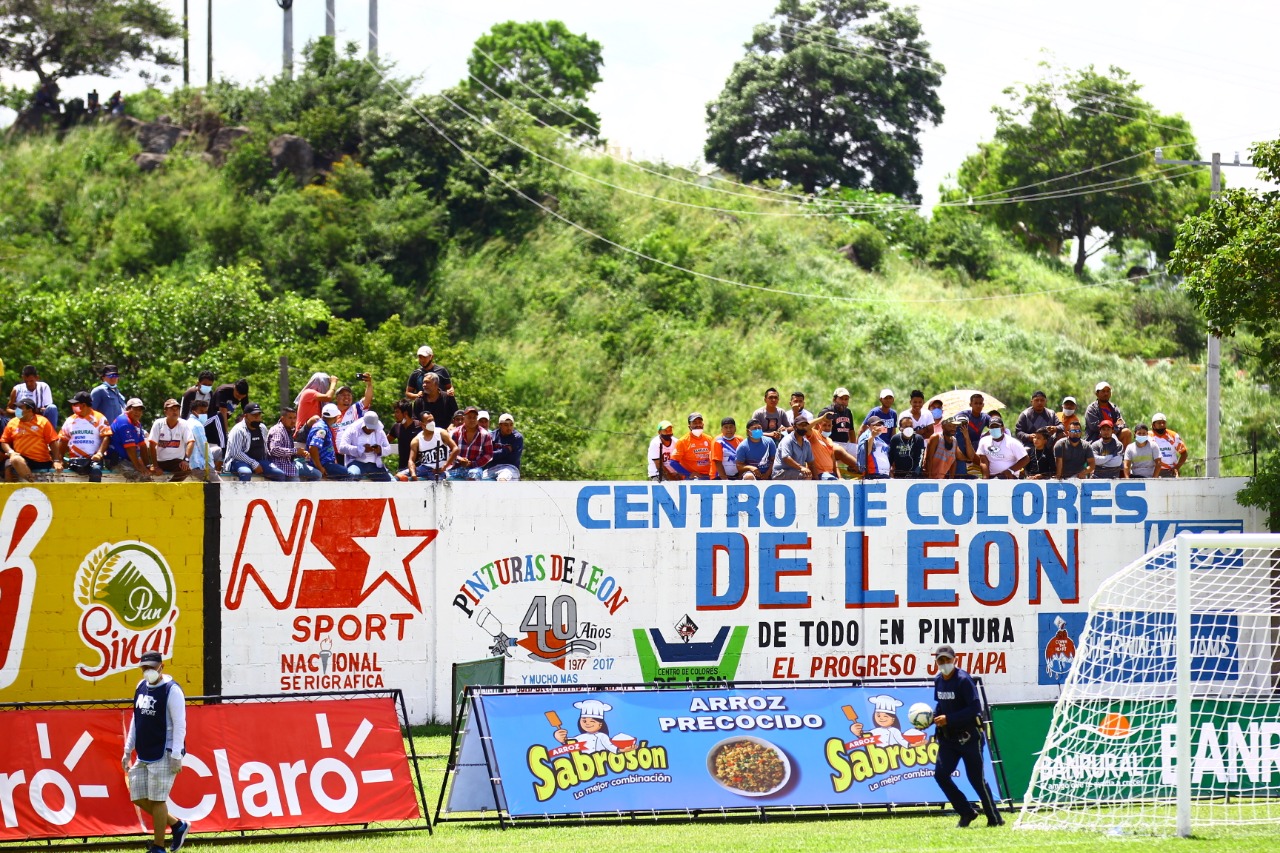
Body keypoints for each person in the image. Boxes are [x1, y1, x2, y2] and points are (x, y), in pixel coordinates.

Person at [122, 650, 191, 853]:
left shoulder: (172, 690)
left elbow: (180, 724)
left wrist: (176, 755)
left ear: (161, 667)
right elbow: (137, 719)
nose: (148, 671)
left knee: (157, 800)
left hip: (164, 750)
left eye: (152, 667)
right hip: (144, 751)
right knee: (137, 795)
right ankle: (178, 825)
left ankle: (158, 847)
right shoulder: (140, 687)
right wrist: (128, 750)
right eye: (145, 667)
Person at [931, 645, 1003, 828]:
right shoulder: (938, 680)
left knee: (976, 779)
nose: (944, 663)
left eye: (948, 660)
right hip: (948, 739)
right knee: (941, 775)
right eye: (941, 660)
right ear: (936, 661)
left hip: (969, 737)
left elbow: (974, 708)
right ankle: (966, 812)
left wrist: (949, 718)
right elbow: (941, 704)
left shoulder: (963, 680)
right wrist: (933, 717)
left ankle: (995, 818)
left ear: (954, 660)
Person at [1, 399, 61, 481]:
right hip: (21, 459)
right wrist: (11, 452)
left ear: (30, 410)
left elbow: (53, 441)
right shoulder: (12, 422)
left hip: (41, 461)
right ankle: (30, 481)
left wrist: (56, 460)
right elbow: (4, 441)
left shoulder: (42, 421)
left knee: (13, 461)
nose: (17, 410)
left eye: (20, 407)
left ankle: (32, 485)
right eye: (17, 407)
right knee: (11, 463)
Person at [60, 391, 112, 483]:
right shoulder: (70, 420)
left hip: (93, 459)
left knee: (96, 470)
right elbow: (63, 440)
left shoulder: (99, 417)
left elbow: (106, 436)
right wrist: (59, 459)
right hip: (74, 459)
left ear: (83, 405)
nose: (73, 406)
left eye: (75, 404)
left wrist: (100, 453)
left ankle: (95, 495)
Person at [266, 407, 321, 481]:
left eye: (295, 418)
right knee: (296, 484)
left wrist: (301, 453)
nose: (293, 421)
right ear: (282, 418)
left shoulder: (289, 429)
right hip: (281, 466)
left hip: (291, 463)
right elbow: (274, 450)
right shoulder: (277, 431)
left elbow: (288, 451)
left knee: (317, 474)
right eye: (290, 418)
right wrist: (295, 451)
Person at [222, 403, 273, 481]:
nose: (257, 417)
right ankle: (243, 493)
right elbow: (236, 453)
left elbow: (266, 448)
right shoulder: (238, 430)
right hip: (238, 461)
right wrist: (254, 464)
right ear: (245, 416)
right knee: (246, 472)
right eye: (254, 415)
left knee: (278, 473)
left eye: (259, 415)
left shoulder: (262, 428)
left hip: (260, 461)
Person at [148, 399, 195, 481]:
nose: (175, 411)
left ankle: (168, 487)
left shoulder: (184, 424)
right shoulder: (158, 423)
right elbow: (152, 445)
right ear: (165, 412)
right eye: (172, 409)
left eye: (177, 409)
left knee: (186, 470)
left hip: (176, 461)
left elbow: (190, 442)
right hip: (160, 461)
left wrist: (186, 460)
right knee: (147, 472)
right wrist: (155, 466)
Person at [109, 398, 154, 481]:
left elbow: (142, 445)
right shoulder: (124, 422)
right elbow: (130, 448)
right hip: (117, 460)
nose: (138, 412)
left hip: (128, 459)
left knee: (149, 475)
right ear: (128, 409)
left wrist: (147, 466)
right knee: (143, 478)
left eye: (140, 410)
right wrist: (139, 467)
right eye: (135, 409)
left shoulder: (137, 423)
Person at [339, 411, 392, 481]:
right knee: (352, 476)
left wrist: (380, 450)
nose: (371, 430)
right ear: (364, 424)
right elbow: (342, 448)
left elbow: (388, 449)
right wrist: (361, 449)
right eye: (369, 427)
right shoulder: (353, 429)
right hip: (357, 462)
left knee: (388, 480)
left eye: (373, 428)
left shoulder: (379, 430)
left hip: (375, 464)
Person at [408, 410, 458, 481]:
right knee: (400, 476)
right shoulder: (416, 440)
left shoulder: (441, 433)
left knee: (438, 483)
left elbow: (455, 448)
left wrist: (445, 466)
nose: (432, 423)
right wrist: (413, 473)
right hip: (424, 469)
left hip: (440, 470)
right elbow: (411, 460)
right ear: (421, 424)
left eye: (433, 420)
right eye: (429, 421)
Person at [808, 412, 858, 479]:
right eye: (824, 425)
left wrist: (840, 478)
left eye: (829, 425)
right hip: (821, 474)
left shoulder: (829, 440)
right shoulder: (814, 435)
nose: (827, 428)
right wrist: (822, 418)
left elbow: (834, 463)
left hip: (831, 474)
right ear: (818, 426)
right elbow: (805, 427)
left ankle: (860, 468)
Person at [449, 406, 493, 481]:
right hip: (455, 467)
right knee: (445, 477)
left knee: (474, 475)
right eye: (469, 417)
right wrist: (459, 459)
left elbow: (488, 454)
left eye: (474, 418)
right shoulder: (455, 433)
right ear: (464, 418)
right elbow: (449, 451)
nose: (472, 420)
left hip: (475, 468)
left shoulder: (485, 435)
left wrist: (472, 464)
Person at [307, 404, 349, 480]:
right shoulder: (322, 430)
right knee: (348, 474)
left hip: (326, 463)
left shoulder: (322, 426)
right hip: (324, 464)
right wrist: (320, 467)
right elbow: (313, 448)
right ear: (335, 417)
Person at [671, 413, 715, 480]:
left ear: (703, 424)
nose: (698, 425)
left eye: (700, 422)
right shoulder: (683, 441)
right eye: (694, 423)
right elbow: (673, 462)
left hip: (709, 476)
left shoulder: (709, 439)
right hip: (693, 478)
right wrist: (688, 474)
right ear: (689, 426)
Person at [772, 412, 814, 479]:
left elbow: (811, 463)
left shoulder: (806, 443)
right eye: (801, 425)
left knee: (808, 475)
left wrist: (817, 478)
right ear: (794, 427)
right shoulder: (788, 440)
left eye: (805, 425)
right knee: (805, 476)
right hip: (781, 473)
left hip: (796, 471)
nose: (803, 427)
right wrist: (801, 468)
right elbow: (786, 458)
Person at [183, 398, 217, 478]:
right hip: (199, 466)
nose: (204, 414)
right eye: (201, 411)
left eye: (205, 412)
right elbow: (203, 447)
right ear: (193, 412)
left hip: (190, 464)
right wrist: (211, 465)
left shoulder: (187, 423)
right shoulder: (197, 425)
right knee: (220, 487)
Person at [820, 387, 857, 459]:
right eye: (841, 399)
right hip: (831, 443)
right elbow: (818, 429)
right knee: (841, 451)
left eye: (846, 399)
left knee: (862, 451)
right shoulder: (828, 411)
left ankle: (856, 469)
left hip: (845, 444)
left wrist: (853, 445)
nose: (843, 401)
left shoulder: (848, 412)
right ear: (834, 399)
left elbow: (851, 431)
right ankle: (854, 466)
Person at [485, 413, 524, 481]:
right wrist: (506, 450)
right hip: (492, 468)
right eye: (506, 425)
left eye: (511, 425)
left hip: (510, 468)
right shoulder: (491, 436)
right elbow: (488, 456)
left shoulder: (517, 438)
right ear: (500, 425)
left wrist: (496, 455)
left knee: (502, 478)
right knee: (478, 480)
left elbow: (513, 458)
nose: (509, 428)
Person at [389, 400, 421, 478]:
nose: (394, 415)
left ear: (405, 413)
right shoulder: (396, 427)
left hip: (418, 469)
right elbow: (385, 441)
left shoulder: (420, 426)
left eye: (397, 412)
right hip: (402, 469)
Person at [1149, 413, 1188, 477]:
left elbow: (1184, 453)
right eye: (1159, 423)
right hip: (1152, 471)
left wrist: (1177, 467)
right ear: (1153, 425)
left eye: (1163, 422)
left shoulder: (1173, 436)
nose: (1162, 425)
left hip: (1169, 471)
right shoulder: (1148, 436)